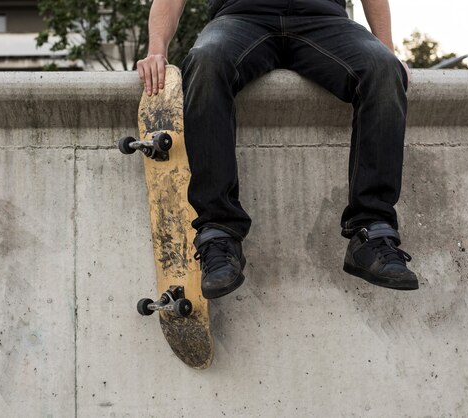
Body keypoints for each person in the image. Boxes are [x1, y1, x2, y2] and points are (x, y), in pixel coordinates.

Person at [137, 0, 419, 298]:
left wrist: (386, 47)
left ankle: (370, 232)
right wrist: (157, 50)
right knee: (206, 62)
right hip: (241, 17)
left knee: (384, 70)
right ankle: (218, 235)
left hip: (324, 20)